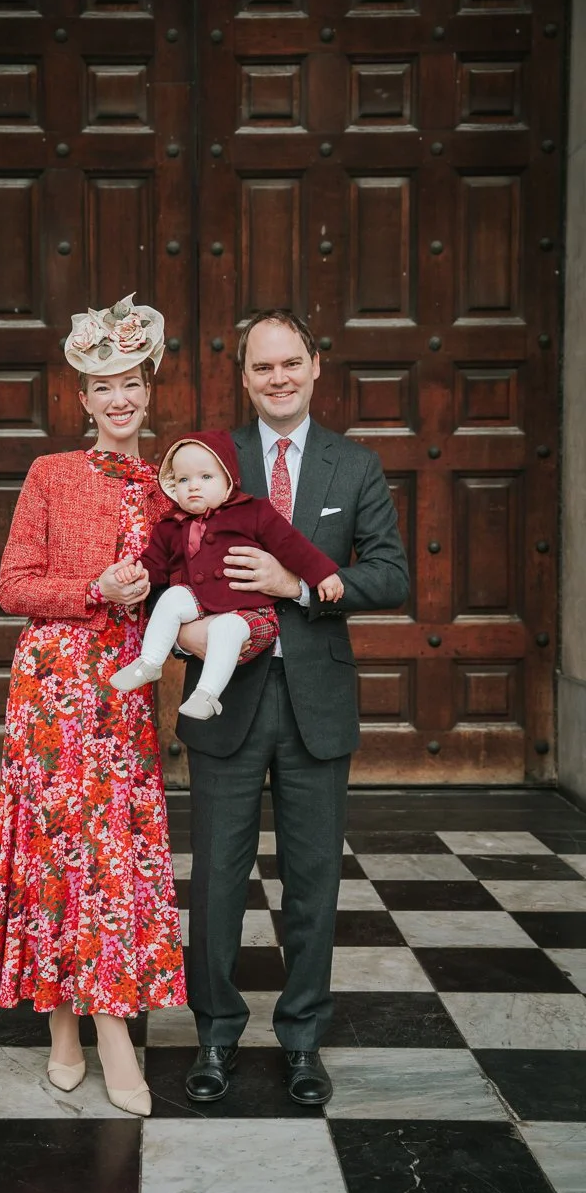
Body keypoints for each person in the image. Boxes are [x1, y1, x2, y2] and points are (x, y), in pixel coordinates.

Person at [178, 309, 410, 1106]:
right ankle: (214, 1037)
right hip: (227, 700)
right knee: (215, 882)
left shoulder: (357, 467)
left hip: (317, 703)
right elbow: (168, 555)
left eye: (290, 363)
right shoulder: (210, 459)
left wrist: (301, 585)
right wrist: (183, 631)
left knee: (312, 883)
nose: (276, 378)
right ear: (242, 376)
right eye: (260, 367)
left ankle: (303, 1040)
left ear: (316, 366)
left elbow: (391, 574)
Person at [0, 293, 187, 1118]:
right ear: (83, 398)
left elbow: (190, 583)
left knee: (107, 859)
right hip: (54, 688)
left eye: (131, 380)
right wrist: (93, 588)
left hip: (126, 691)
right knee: (61, 854)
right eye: (103, 385)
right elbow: (10, 586)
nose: (119, 397)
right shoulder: (51, 475)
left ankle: (77, 1024)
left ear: (149, 387)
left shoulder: (170, 483)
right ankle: (95, 1034)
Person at [109, 430, 343, 719]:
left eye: (206, 477)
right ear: (172, 485)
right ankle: (150, 661)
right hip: (201, 604)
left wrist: (323, 574)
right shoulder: (172, 525)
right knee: (173, 596)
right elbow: (154, 564)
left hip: (251, 611)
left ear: (228, 479)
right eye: (184, 480)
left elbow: (292, 546)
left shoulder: (252, 512)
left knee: (226, 629)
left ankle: (206, 694)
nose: (194, 487)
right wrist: (136, 574)